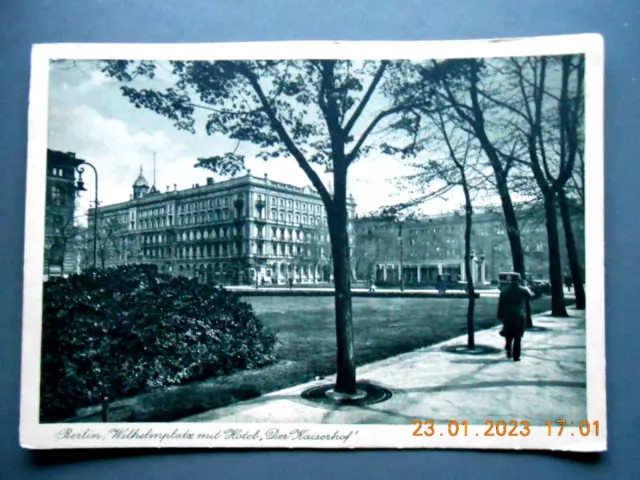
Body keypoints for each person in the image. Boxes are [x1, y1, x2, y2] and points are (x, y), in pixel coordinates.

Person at [497, 273, 535, 362]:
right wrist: (527, 287)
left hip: (507, 314)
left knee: (508, 333)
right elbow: (532, 296)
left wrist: (500, 314)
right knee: (518, 336)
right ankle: (516, 356)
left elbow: (501, 303)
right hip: (519, 314)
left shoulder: (504, 290)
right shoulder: (523, 289)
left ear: (510, 279)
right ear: (519, 279)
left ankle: (508, 350)